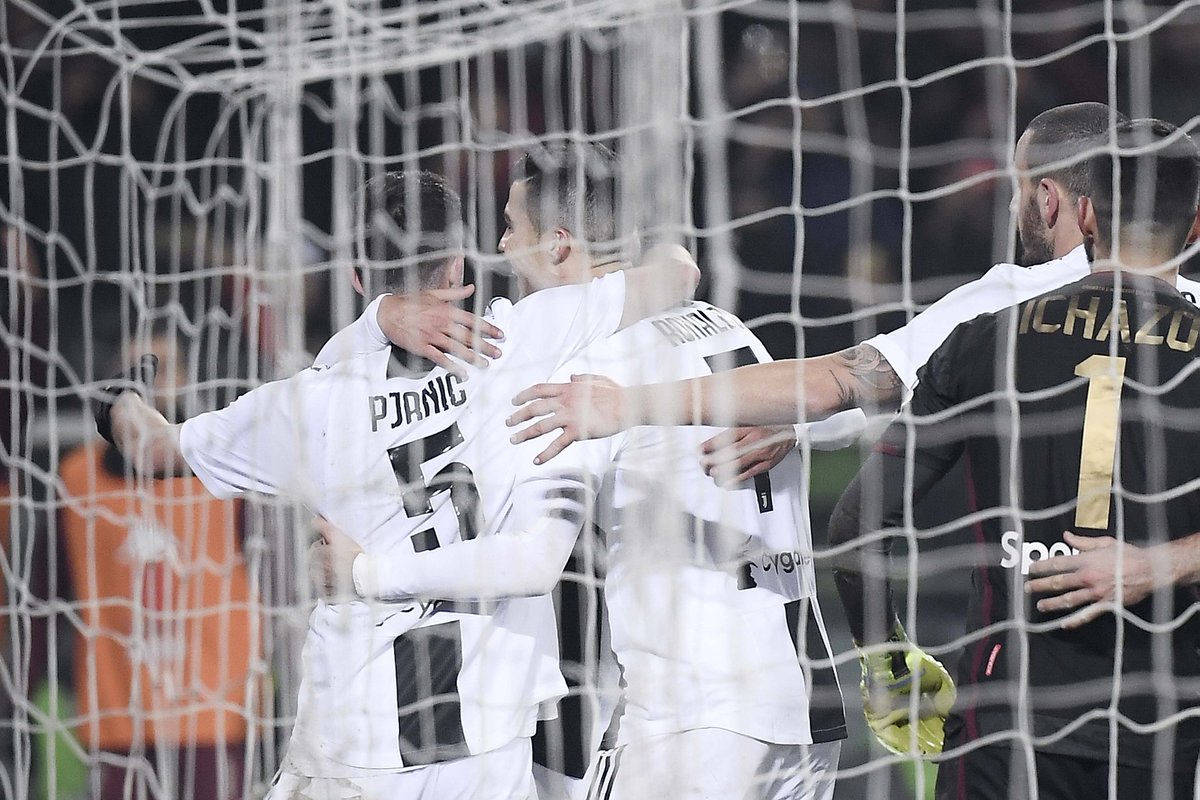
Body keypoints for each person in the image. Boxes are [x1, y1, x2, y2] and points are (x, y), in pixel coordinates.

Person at [502, 104, 1200, 748]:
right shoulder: (1190, 311)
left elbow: (841, 384)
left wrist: (630, 404)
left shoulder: (1002, 306)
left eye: (1019, 187)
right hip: (1172, 675)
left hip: (1020, 676)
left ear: (1051, 198)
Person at [96, 167, 700, 800]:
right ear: (458, 265)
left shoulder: (307, 404)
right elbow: (677, 273)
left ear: (357, 277)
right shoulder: (524, 336)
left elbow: (149, 447)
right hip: (490, 731)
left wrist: (118, 397)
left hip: (360, 732)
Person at [311, 147, 849, 800]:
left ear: (558, 245)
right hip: (808, 707)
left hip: (696, 719)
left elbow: (534, 558)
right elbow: (839, 397)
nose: (501, 247)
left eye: (511, 227)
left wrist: (366, 573)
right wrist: (799, 425)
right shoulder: (727, 327)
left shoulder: (590, 373)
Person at [828, 118, 1200, 798]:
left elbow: (857, 523)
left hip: (1002, 723)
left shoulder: (984, 338)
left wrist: (888, 666)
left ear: (1086, 214)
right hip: (1159, 727)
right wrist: (1158, 565)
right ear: (1196, 228)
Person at [59, 325, 256, 800]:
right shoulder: (77, 476)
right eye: (132, 373)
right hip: (118, 716)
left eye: (160, 369)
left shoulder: (225, 470)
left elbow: (268, 580)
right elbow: (54, 590)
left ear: (186, 377)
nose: (146, 386)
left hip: (213, 710)